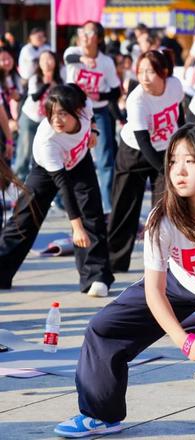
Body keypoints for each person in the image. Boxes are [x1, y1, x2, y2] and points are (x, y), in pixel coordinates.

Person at [54, 122, 195, 440]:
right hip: (179, 281)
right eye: (173, 161)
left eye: (190, 161)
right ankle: (100, 414)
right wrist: (183, 340)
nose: (179, 170)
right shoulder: (162, 219)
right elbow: (155, 291)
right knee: (103, 328)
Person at [0, 84, 114, 295]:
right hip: (46, 170)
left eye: (62, 114)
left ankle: (96, 276)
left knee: (92, 213)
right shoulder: (48, 140)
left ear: (77, 110)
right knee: (26, 217)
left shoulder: (85, 105)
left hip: (79, 161)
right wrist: (76, 228)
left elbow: (92, 118)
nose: (56, 120)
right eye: (52, 115)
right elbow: (64, 188)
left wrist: (94, 131)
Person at [107, 50, 184, 272]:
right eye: (140, 72)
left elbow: (179, 116)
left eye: (150, 71)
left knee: (164, 209)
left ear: (164, 72)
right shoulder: (137, 99)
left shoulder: (175, 86)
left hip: (165, 149)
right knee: (125, 208)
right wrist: (165, 170)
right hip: (134, 152)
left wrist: (182, 145)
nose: (144, 77)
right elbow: (143, 142)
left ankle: (164, 262)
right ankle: (115, 263)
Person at [64, 21, 122, 215]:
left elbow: (115, 90)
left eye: (88, 32)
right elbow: (69, 57)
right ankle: (71, 203)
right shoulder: (74, 52)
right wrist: (83, 58)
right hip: (74, 111)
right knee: (71, 156)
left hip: (99, 112)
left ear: (97, 37)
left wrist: (100, 96)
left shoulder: (106, 62)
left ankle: (108, 207)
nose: (84, 35)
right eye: (82, 32)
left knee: (105, 159)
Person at [15, 51, 63, 181]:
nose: (46, 63)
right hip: (30, 118)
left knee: (45, 155)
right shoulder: (35, 78)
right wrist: (47, 84)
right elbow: (35, 97)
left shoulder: (60, 80)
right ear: (39, 64)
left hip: (47, 123)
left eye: (49, 59)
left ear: (55, 61)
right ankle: (14, 186)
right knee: (24, 154)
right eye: (43, 60)